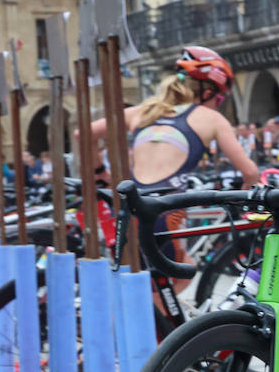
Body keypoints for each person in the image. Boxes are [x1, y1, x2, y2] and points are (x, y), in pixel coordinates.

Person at [85, 46, 259, 288]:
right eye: (218, 99)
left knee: (134, 282)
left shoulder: (143, 112)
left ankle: (146, 323)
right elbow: (250, 171)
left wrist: (99, 174)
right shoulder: (211, 119)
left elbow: (83, 133)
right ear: (206, 91)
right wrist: (249, 191)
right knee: (176, 280)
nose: (218, 105)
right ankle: (161, 324)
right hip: (167, 212)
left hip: (129, 208)